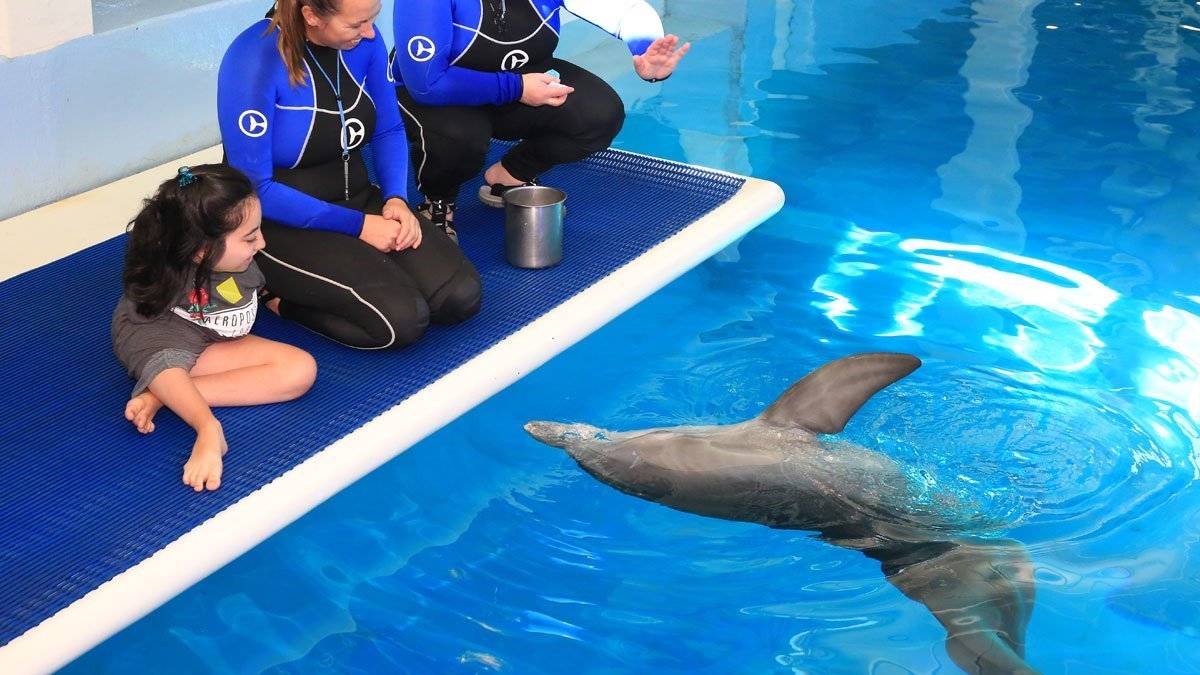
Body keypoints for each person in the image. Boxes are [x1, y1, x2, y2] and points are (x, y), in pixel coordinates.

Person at [218, 0, 482, 350]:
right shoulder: (254, 59)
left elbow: (388, 128)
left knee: (459, 297)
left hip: (359, 198)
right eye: (357, 24)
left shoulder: (363, 42)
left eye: (373, 19)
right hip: (280, 221)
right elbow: (256, 187)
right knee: (401, 321)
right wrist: (360, 227)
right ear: (311, 16)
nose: (371, 33)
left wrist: (396, 199)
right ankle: (280, 300)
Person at [392, 0, 690, 239]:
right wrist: (518, 89)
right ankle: (437, 202)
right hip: (441, 94)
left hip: (523, 84)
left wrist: (648, 51)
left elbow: (625, 11)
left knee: (599, 115)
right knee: (460, 139)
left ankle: (509, 177)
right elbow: (427, 83)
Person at [112, 164, 318, 492]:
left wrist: (275, 299)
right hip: (167, 340)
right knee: (166, 366)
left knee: (301, 370)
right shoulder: (155, 308)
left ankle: (165, 396)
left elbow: (255, 288)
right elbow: (157, 351)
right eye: (250, 237)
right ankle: (196, 415)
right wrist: (206, 427)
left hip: (208, 342)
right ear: (202, 250)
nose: (262, 243)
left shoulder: (238, 259)